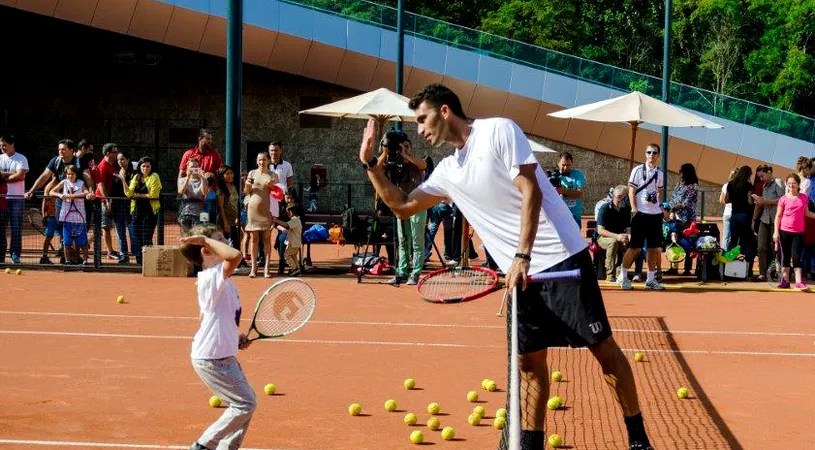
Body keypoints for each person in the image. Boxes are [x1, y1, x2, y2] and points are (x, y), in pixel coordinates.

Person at [359, 84, 653, 450]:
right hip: (522, 275)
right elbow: (402, 205)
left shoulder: (498, 130)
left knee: (603, 351)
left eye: (422, 119)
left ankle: (638, 439)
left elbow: (531, 188)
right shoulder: (449, 170)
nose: (419, 129)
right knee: (529, 364)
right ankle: (530, 444)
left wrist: (521, 255)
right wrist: (370, 163)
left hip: (560, 259)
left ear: (445, 110)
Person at [178, 224, 256, 450]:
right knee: (244, 404)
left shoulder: (221, 280)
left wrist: (235, 337)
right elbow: (235, 256)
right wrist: (205, 240)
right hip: (212, 358)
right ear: (207, 250)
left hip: (224, 354)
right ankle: (204, 444)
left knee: (245, 403)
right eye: (219, 240)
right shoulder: (210, 277)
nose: (226, 243)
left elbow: (214, 319)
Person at [774, 173, 815, 290]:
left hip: (798, 232)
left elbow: (807, 213)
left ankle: (798, 282)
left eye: (794, 183)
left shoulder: (804, 198)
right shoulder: (783, 199)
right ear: (787, 184)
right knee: (785, 256)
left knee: (796, 256)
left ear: (798, 184)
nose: (791, 185)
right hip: (784, 231)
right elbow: (778, 216)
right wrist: (776, 232)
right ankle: (785, 281)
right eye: (789, 183)